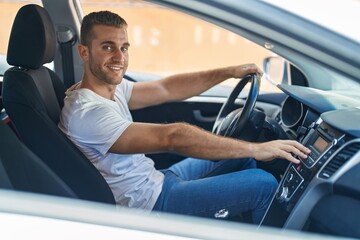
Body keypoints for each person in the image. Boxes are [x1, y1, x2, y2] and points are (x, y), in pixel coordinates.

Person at [58, 11, 310, 224]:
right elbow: (172, 137)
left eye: (123, 47)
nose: (119, 57)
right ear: (84, 52)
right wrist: (257, 148)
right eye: (107, 47)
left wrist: (229, 72)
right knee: (263, 184)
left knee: (244, 161)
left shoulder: (110, 89)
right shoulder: (88, 113)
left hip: (157, 180)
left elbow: (167, 88)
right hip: (150, 205)